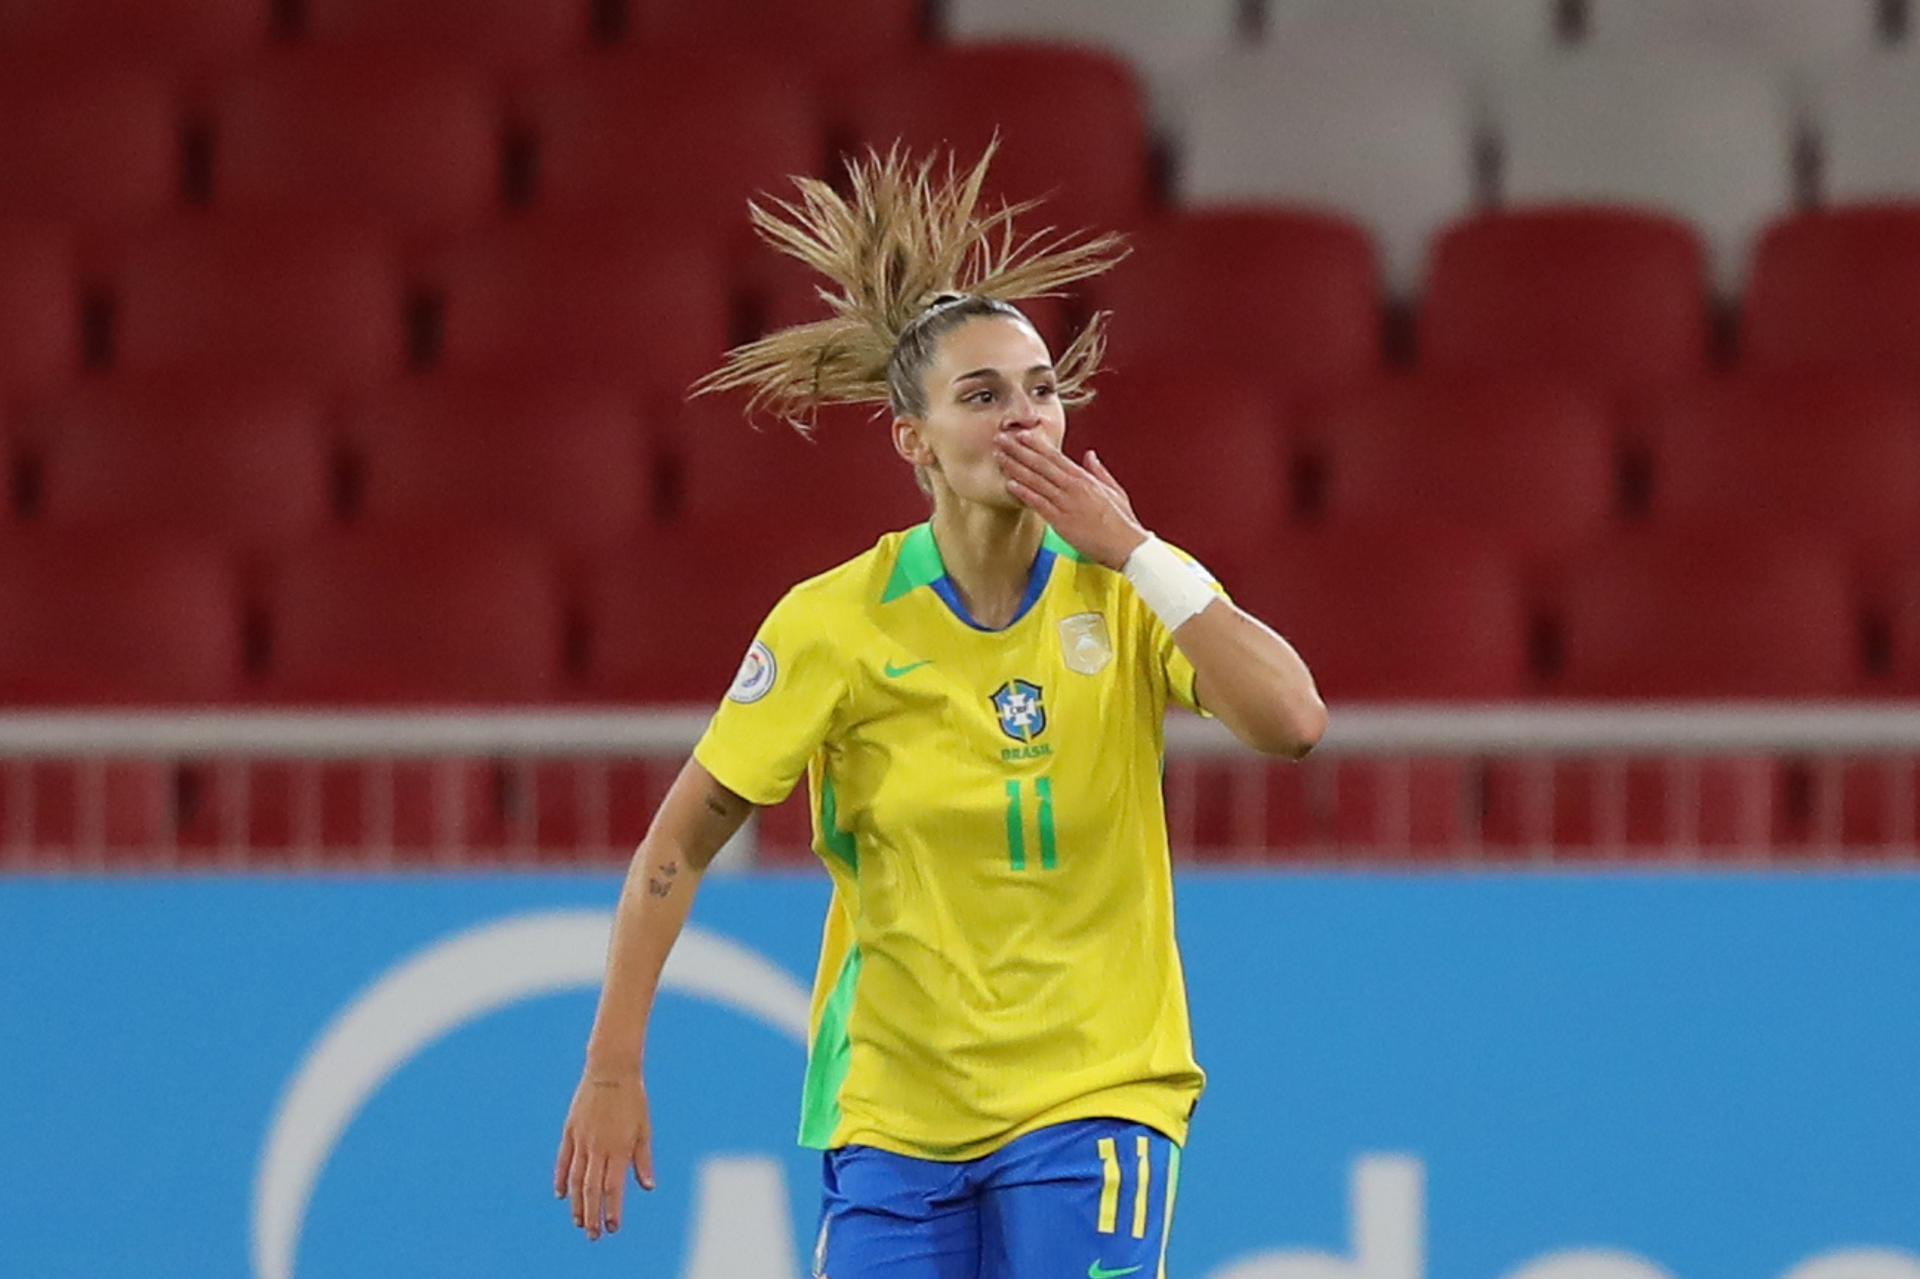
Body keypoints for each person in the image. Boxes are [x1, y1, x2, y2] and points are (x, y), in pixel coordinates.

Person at [554, 146, 1328, 1278]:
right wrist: (613, 1063)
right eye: (982, 396)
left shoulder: (1123, 591)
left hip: (1093, 1095)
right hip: (893, 1117)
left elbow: (1293, 718)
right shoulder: (836, 624)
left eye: (1041, 390)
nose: (1023, 419)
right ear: (913, 439)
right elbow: (679, 840)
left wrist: (1140, 550)